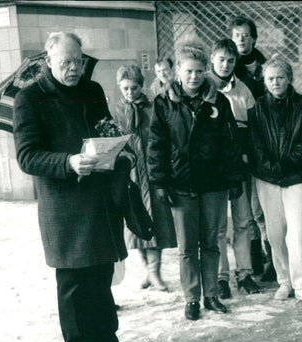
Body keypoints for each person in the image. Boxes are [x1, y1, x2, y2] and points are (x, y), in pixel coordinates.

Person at [14, 32, 135, 342]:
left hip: (98, 197)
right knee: (72, 280)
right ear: (48, 61)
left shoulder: (92, 90)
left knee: (101, 272)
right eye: (65, 62)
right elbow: (27, 156)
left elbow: (104, 127)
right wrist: (67, 162)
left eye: (78, 61)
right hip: (63, 203)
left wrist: (120, 147)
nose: (73, 68)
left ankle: (105, 338)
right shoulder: (30, 98)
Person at [148, 34, 248, 321]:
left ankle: (212, 294)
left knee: (212, 243)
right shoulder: (163, 103)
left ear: (206, 71)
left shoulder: (218, 101)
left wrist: (234, 179)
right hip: (181, 184)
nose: (193, 76)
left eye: (198, 71)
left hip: (213, 183)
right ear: (178, 70)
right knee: (187, 247)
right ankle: (191, 297)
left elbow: (230, 144)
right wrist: (160, 182)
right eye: (188, 71)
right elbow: (156, 146)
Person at [249, 57, 302, 305]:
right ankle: (284, 281)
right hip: (267, 179)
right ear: (264, 80)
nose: (275, 82)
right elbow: (256, 145)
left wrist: (285, 164)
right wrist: (270, 167)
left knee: (297, 232)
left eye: (280, 77)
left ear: (289, 78)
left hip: (295, 177)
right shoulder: (258, 107)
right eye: (270, 78)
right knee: (275, 233)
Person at [112, 64, 177, 293]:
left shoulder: (152, 108)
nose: (130, 93)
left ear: (142, 86)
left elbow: (162, 138)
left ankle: (155, 273)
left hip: (151, 172)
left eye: (134, 88)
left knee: (155, 223)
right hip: (129, 175)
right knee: (137, 224)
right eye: (125, 88)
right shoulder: (116, 111)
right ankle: (147, 271)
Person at [205, 38, 262, 297]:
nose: (226, 65)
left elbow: (253, 128)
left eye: (230, 60)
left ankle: (245, 274)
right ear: (212, 59)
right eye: (221, 59)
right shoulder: (202, 86)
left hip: (239, 167)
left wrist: (248, 156)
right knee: (217, 227)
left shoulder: (243, 90)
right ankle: (221, 278)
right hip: (214, 170)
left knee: (243, 222)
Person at [230, 16, 274, 282]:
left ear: (254, 39)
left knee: (261, 205)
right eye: (237, 35)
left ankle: (272, 259)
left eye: (246, 35)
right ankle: (254, 259)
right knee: (244, 206)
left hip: (262, 140)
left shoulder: (264, 65)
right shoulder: (228, 68)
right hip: (239, 144)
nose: (241, 40)